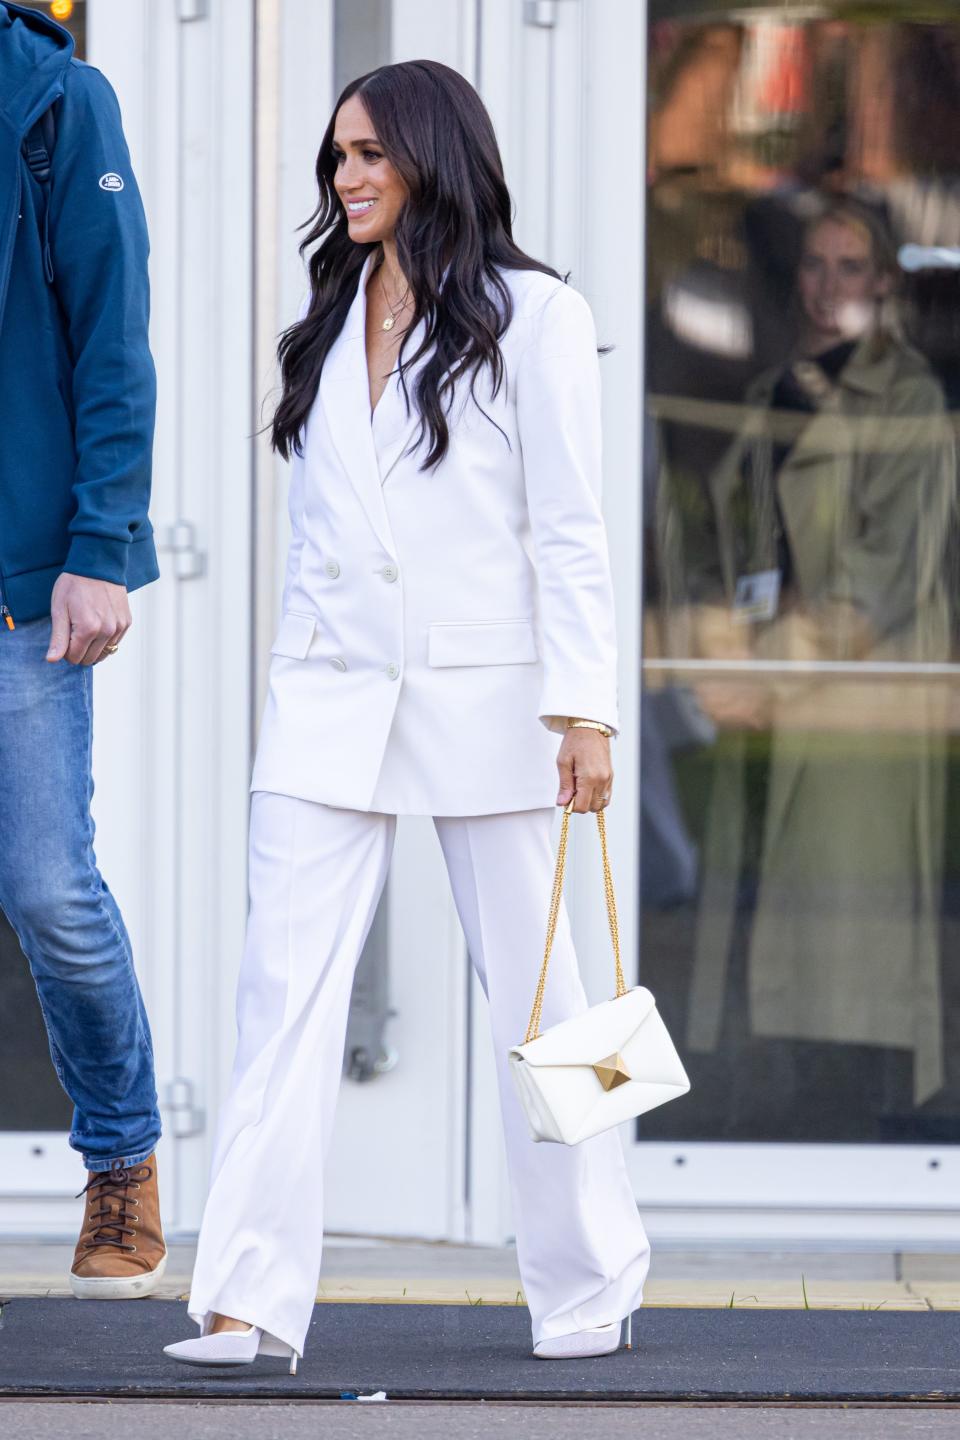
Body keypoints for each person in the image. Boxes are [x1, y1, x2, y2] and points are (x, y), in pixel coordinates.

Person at [164, 59, 649, 1372]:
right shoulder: (330, 317)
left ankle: (592, 1278)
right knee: (280, 999)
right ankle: (245, 1299)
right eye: (337, 159)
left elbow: (572, 532)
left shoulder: (537, 315)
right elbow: (326, 539)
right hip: (327, 706)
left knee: (554, 1005)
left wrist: (585, 713)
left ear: (436, 155)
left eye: (370, 153)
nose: (349, 178)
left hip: (501, 704)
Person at [688, 198, 955, 1109]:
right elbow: (739, 544)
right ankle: (781, 1118)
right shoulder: (778, 391)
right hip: (771, 683)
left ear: (883, 283)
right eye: (814, 264)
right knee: (772, 925)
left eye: (851, 266)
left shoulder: (912, 398)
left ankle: (856, 1130)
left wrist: (773, 670)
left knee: (851, 944)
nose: (828, 284)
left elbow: (887, 574)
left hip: (856, 696)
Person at [0, 3, 165, 1294]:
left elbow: (113, 337)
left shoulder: (54, 100)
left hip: (19, 586)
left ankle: (120, 1161)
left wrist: (101, 542)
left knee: (52, 890)